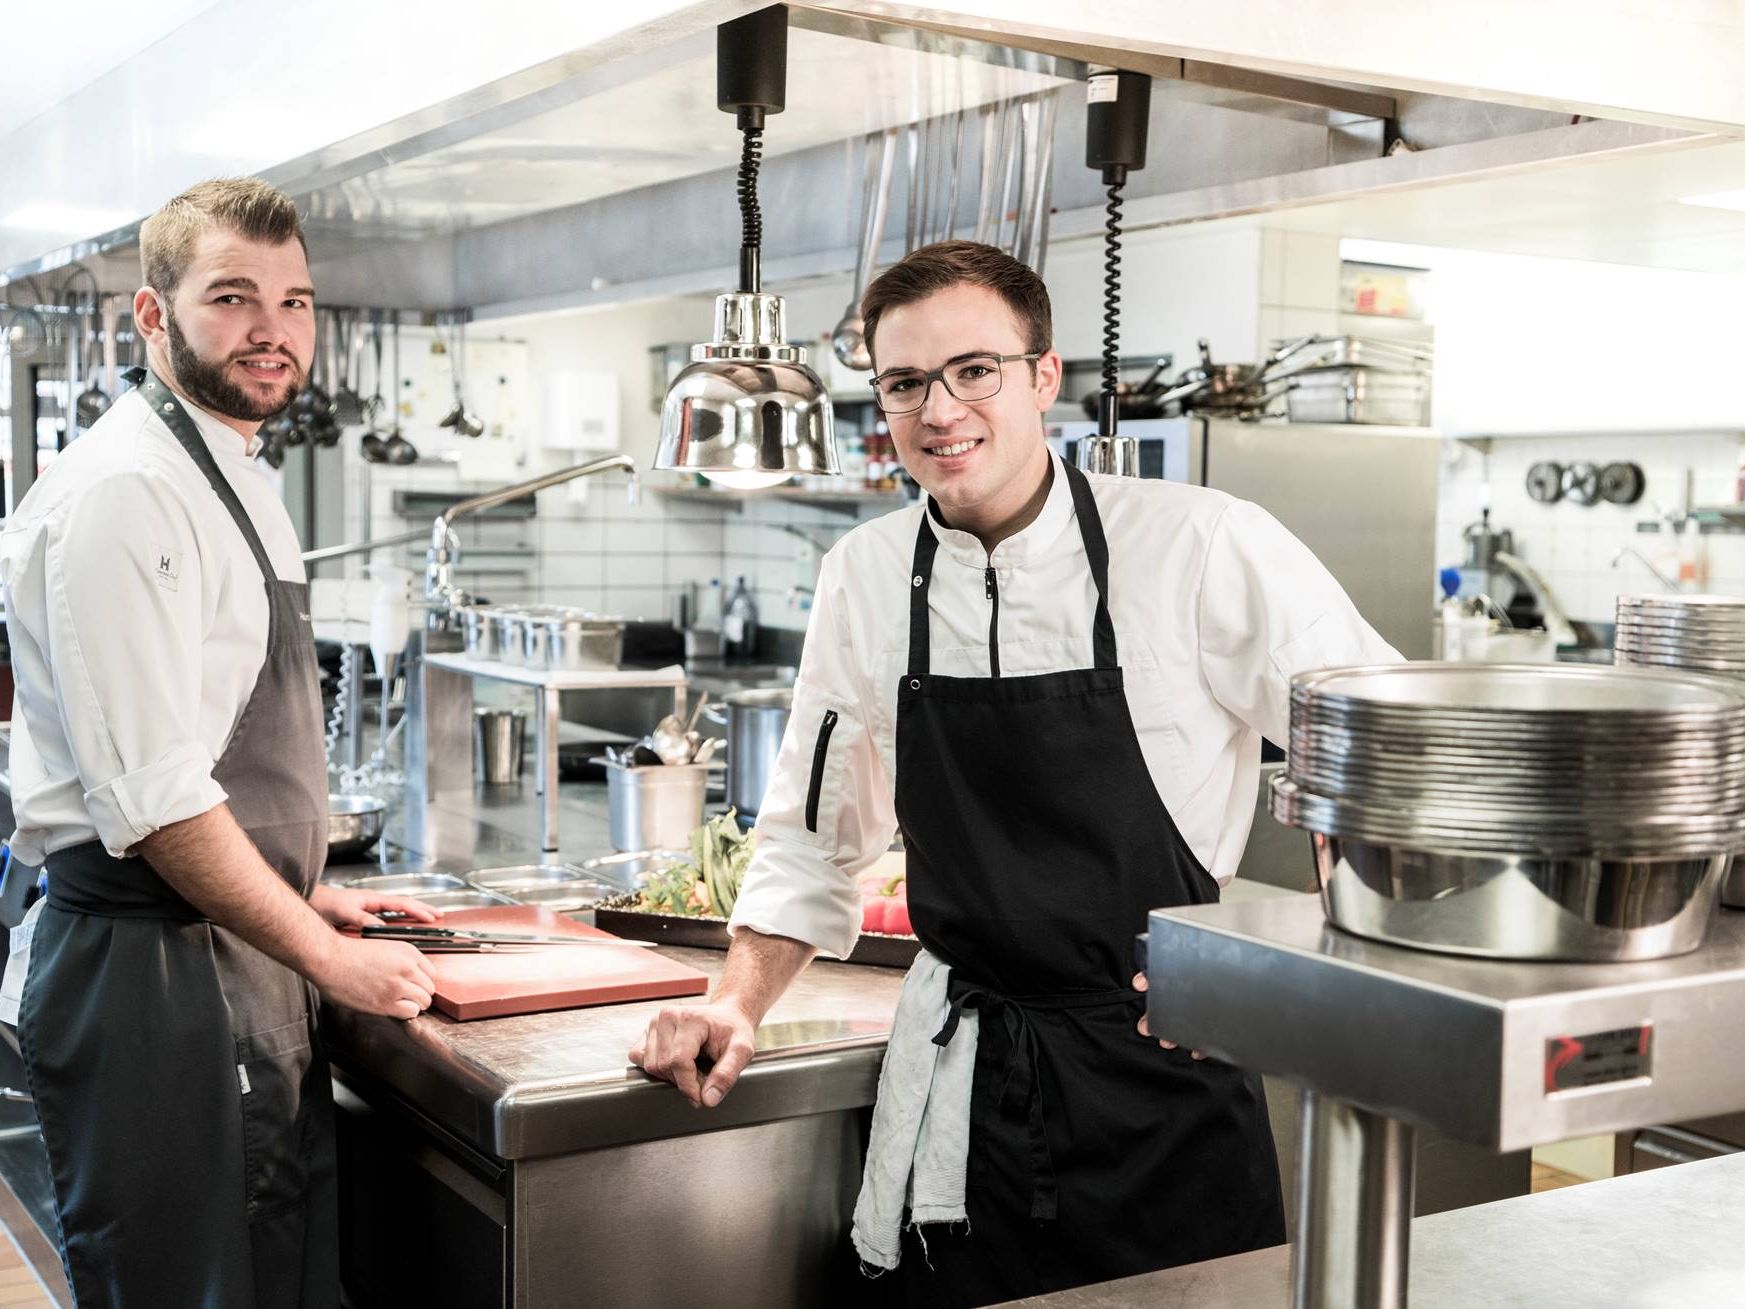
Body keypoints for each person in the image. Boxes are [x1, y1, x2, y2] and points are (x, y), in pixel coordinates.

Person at [631, 240, 1400, 1305]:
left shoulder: (1199, 545)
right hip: (967, 1095)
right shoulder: (863, 579)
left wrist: (1282, 974)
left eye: (973, 370)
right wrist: (736, 1001)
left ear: (1043, 375)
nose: (939, 410)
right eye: (903, 383)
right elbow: (812, 836)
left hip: (1166, 1090)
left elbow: (1383, 753)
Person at [0, 178, 439, 1307]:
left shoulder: (231, 465)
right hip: (151, 979)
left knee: (266, 1272)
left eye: (295, 302)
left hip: (229, 958)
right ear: (153, 317)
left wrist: (309, 896)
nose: (272, 330)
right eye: (233, 297)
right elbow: (154, 799)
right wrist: (327, 953)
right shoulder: (127, 493)